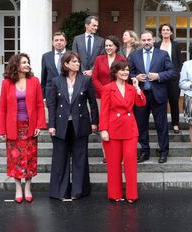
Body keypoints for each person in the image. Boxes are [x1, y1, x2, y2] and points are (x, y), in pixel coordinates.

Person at [0, 53, 46, 203]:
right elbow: (2, 108)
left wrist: (39, 125)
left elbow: (39, 105)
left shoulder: (34, 81)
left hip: (29, 126)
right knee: (14, 159)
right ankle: (18, 188)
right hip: (13, 127)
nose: (27, 64)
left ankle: (28, 188)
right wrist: (2, 129)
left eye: (28, 62)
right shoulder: (6, 83)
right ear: (16, 65)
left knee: (30, 159)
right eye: (24, 62)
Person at [47, 51, 99, 200]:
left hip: (81, 124)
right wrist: (51, 125)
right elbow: (51, 105)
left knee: (80, 158)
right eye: (74, 61)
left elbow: (93, 103)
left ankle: (78, 191)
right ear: (66, 64)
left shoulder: (85, 80)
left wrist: (94, 122)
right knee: (60, 158)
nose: (77, 63)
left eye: (78, 61)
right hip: (60, 124)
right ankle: (60, 191)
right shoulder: (56, 81)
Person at [99, 61, 146, 204]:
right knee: (113, 163)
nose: (125, 72)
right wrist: (103, 129)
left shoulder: (132, 88)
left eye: (127, 70)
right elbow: (104, 110)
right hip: (113, 129)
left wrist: (138, 89)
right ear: (115, 72)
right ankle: (115, 194)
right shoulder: (108, 88)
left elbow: (141, 104)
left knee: (130, 162)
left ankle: (132, 194)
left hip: (130, 129)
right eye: (122, 70)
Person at [129, 30, 175, 164]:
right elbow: (129, 73)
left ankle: (163, 152)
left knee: (161, 125)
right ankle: (145, 151)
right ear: (140, 41)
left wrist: (159, 76)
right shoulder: (134, 55)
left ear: (153, 40)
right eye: (143, 40)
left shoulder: (163, 54)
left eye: (148, 40)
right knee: (141, 125)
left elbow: (172, 72)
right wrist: (135, 77)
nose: (146, 42)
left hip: (158, 95)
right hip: (141, 95)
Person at [92, 35, 126, 164]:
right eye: (106, 45)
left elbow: (124, 77)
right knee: (104, 124)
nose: (108, 48)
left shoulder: (121, 59)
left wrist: (114, 92)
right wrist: (105, 92)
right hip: (101, 97)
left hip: (118, 97)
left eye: (110, 45)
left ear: (116, 46)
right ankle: (106, 154)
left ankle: (119, 153)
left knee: (118, 123)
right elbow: (94, 78)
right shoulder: (99, 59)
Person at [155, 23, 183, 134]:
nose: (165, 31)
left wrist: (178, 75)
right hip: (160, 77)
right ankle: (161, 124)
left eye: (167, 30)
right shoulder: (156, 45)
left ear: (171, 32)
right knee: (160, 101)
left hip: (173, 78)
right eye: (163, 30)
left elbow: (179, 61)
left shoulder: (175, 45)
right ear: (160, 32)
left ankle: (175, 123)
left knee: (174, 101)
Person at [41, 31, 67, 100]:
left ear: (65, 42)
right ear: (52, 43)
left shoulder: (71, 55)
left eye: (61, 40)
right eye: (56, 40)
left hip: (68, 93)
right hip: (50, 94)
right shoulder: (46, 56)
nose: (59, 42)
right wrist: (43, 97)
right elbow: (43, 77)